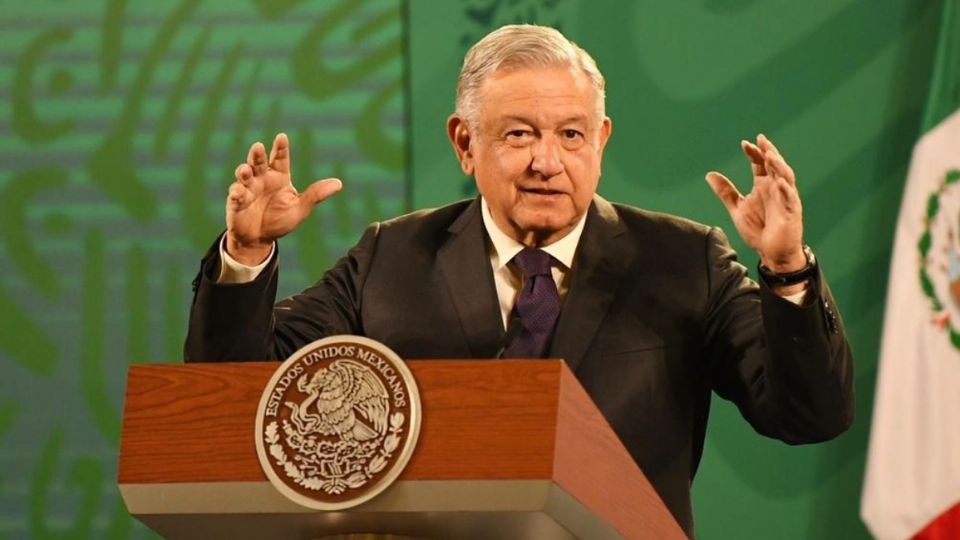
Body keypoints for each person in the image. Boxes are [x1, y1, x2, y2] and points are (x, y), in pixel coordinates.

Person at [185, 24, 853, 536]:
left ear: (602, 140)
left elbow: (808, 415)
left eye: (570, 134)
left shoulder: (684, 260)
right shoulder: (392, 257)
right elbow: (241, 404)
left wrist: (786, 270)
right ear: (464, 144)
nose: (546, 161)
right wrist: (245, 253)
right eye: (518, 134)